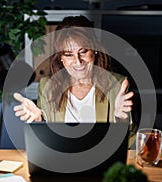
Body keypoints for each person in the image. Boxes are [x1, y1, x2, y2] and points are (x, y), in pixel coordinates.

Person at [13, 16, 136, 146]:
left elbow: (131, 143)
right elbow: (46, 145)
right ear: (61, 57)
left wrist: (121, 120)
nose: (78, 61)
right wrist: (38, 122)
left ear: (94, 50)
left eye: (83, 51)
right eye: (68, 54)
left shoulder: (117, 85)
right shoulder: (47, 86)